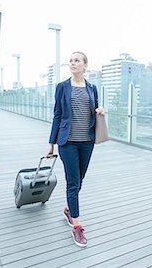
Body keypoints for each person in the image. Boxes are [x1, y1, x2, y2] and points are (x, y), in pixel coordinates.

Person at [47, 51, 104, 247]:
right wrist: (51, 142)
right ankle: (77, 227)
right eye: (70, 61)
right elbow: (57, 115)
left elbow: (94, 109)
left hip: (87, 141)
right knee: (73, 183)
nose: (72, 63)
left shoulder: (92, 88)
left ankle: (69, 210)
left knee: (80, 180)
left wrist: (100, 110)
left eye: (76, 60)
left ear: (85, 65)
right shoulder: (62, 87)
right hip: (67, 142)